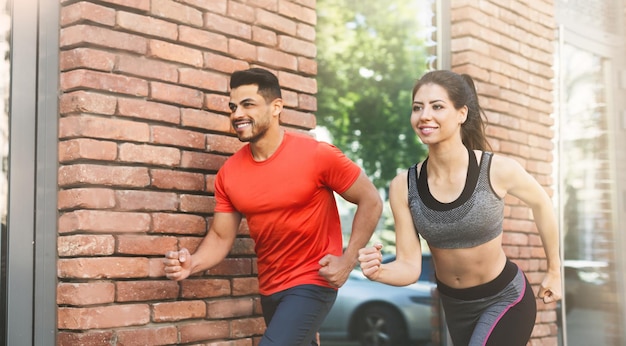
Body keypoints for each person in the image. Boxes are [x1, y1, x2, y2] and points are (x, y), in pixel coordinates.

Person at [164, 67, 382, 346]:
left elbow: (371, 200)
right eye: (233, 107)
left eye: (247, 104)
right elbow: (220, 236)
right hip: (270, 288)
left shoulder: (317, 155)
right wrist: (191, 264)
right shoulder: (229, 174)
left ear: (276, 107)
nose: (237, 114)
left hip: (312, 281)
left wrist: (347, 260)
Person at [358, 70, 562, 346]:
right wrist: (379, 272)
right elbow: (409, 266)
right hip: (455, 307)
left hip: (505, 298)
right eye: (417, 108)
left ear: (461, 114)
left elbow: (541, 203)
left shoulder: (496, 170)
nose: (424, 115)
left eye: (437, 106)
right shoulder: (403, 186)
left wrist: (554, 270)